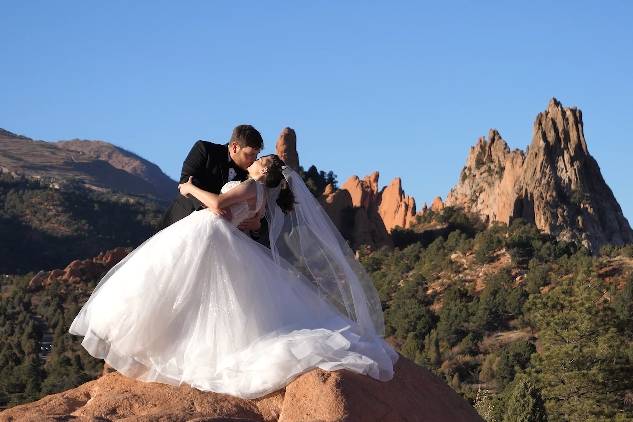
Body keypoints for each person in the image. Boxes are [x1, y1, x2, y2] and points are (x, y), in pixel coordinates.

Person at [69, 154, 398, 399]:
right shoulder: (262, 196)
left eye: (261, 159)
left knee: (174, 289)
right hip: (223, 238)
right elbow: (251, 224)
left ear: (262, 171)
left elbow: (216, 204)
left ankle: (166, 349)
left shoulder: (251, 184)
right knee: (207, 297)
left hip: (206, 233)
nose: (255, 160)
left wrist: (190, 187)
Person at [157, 124, 264, 237]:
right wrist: (211, 204)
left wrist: (256, 227)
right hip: (179, 226)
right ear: (235, 147)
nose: (253, 160)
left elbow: (260, 219)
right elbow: (186, 182)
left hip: (220, 239)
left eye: (256, 155)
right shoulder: (205, 150)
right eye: (250, 154)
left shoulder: (251, 176)